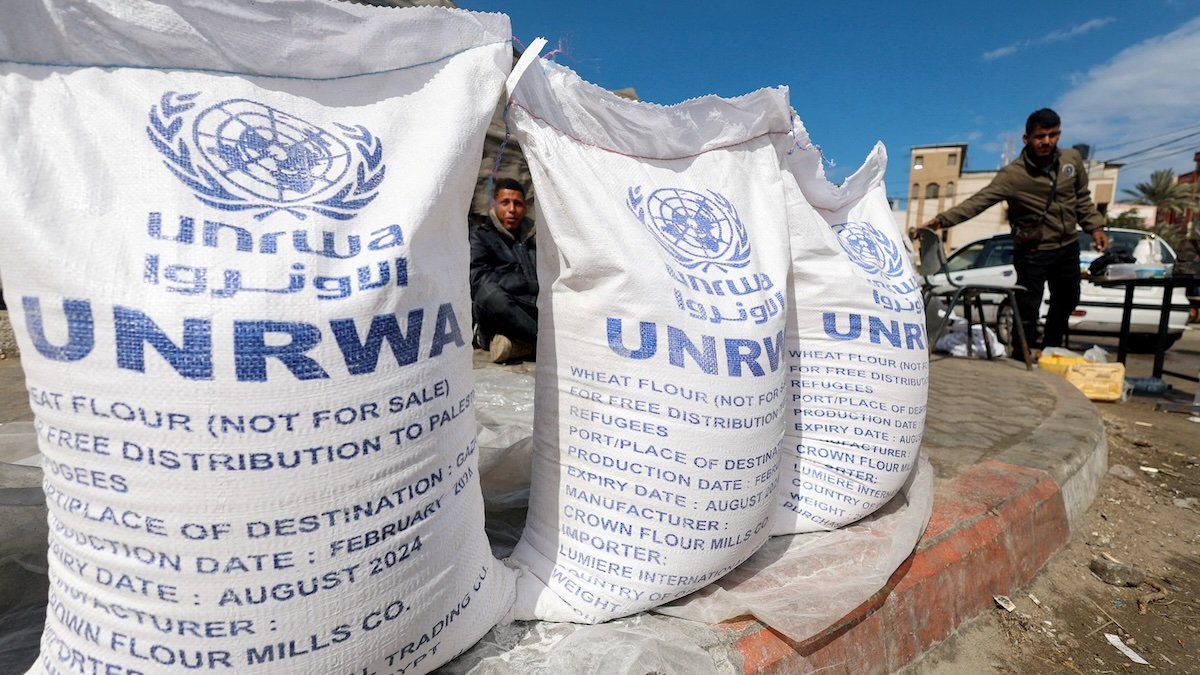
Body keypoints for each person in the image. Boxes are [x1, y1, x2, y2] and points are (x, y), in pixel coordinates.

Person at [915, 108, 1109, 357]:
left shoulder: (1070, 161)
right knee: (1028, 304)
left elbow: (1082, 199)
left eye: (1053, 135)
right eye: (1040, 136)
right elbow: (978, 202)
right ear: (1026, 139)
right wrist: (941, 221)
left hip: (1067, 245)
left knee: (1068, 298)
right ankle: (1022, 351)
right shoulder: (1013, 175)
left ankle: (1052, 347)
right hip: (1033, 250)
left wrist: (1096, 227)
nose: (1047, 141)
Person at [470, 177, 538, 362]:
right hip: (502, 308)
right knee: (491, 295)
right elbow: (478, 278)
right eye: (505, 202)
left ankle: (518, 346)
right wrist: (527, 285)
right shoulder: (480, 236)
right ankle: (546, 345)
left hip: (532, 307)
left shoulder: (533, 238)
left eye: (518, 204)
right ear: (494, 205)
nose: (512, 210)